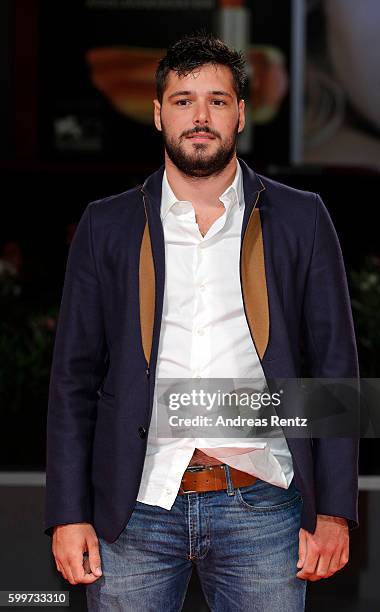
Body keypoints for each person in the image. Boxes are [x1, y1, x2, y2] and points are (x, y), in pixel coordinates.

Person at [44, 32, 359, 612]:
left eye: (217, 100)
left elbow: (336, 369)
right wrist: (68, 514)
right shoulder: (108, 224)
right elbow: (72, 380)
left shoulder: (300, 218)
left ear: (240, 113)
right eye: (184, 100)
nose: (200, 115)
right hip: (133, 512)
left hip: (265, 508)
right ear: (159, 113)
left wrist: (335, 510)